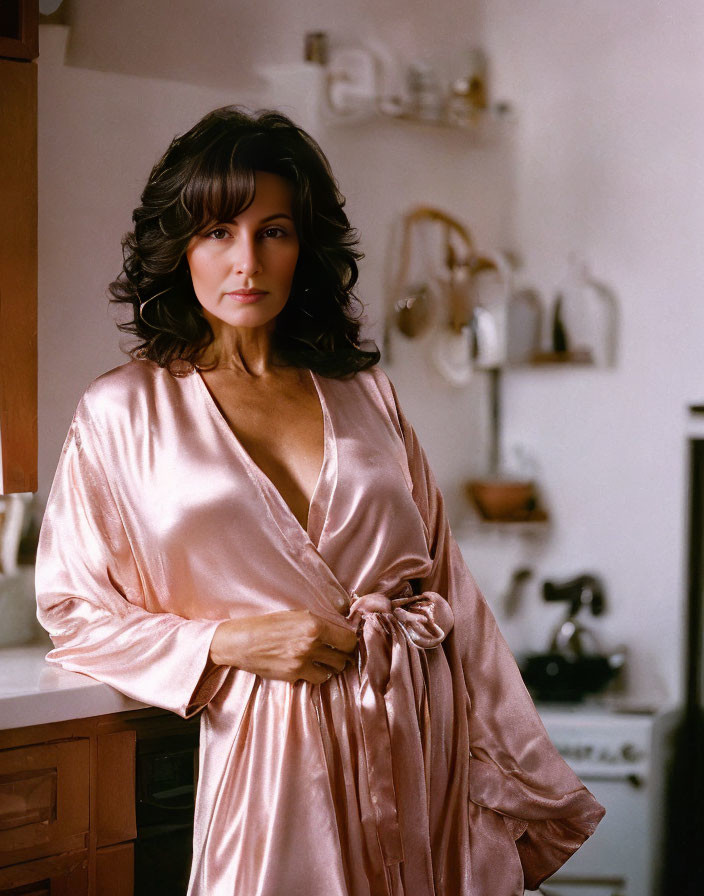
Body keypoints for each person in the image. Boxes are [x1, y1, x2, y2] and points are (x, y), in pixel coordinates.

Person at [35, 106, 604, 896]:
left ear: (305, 246)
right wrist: (228, 644)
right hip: (274, 761)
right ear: (180, 248)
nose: (247, 263)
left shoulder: (366, 391)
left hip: (416, 736)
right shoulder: (122, 412)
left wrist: (510, 779)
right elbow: (72, 608)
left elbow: (449, 590)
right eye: (217, 233)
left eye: (273, 232)